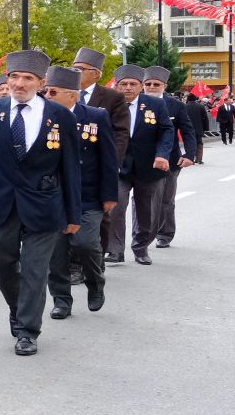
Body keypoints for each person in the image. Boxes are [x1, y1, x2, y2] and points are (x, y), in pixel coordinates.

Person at [0, 50, 81, 356]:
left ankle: (28, 330)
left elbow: (70, 168)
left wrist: (73, 213)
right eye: (14, 77)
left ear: (41, 83)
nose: (19, 83)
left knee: (34, 269)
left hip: (44, 204)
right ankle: (17, 308)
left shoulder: (61, 116)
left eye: (28, 78)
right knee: (1, 262)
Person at [45, 66, 118, 319]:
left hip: (87, 195)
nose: (47, 96)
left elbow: (108, 158)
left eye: (53, 92)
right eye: (46, 91)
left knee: (85, 243)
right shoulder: (42, 117)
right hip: (53, 195)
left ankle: (95, 282)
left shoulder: (95, 117)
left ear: (72, 95)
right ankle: (61, 299)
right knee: (56, 252)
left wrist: (110, 194)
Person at [107, 64, 175, 266]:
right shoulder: (108, 105)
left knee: (147, 211)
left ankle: (141, 247)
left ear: (140, 86)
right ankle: (115, 250)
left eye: (133, 84)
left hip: (149, 167)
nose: (128, 87)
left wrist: (162, 155)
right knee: (115, 207)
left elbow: (167, 130)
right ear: (117, 85)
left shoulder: (155, 104)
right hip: (118, 167)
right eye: (124, 84)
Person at [73, 48, 130, 258]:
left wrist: (111, 163)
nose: (75, 73)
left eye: (81, 69)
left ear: (96, 74)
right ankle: (73, 261)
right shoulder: (61, 92)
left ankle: (97, 257)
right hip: (67, 163)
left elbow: (120, 133)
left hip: (96, 165)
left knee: (100, 215)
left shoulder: (112, 97)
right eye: (73, 68)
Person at [143, 69, 195, 249]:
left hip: (170, 161)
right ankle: (141, 234)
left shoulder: (175, 105)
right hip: (141, 160)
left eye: (156, 84)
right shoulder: (135, 103)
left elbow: (188, 131)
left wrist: (189, 155)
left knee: (165, 200)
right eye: (148, 84)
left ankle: (164, 233)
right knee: (140, 200)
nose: (151, 87)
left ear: (164, 86)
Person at [185, 89, 212, 167]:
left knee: (189, 143)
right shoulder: (201, 106)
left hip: (188, 129)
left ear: (188, 99)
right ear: (195, 99)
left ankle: (190, 158)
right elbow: (205, 118)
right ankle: (199, 159)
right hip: (199, 129)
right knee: (199, 143)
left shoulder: (184, 107)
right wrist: (206, 128)